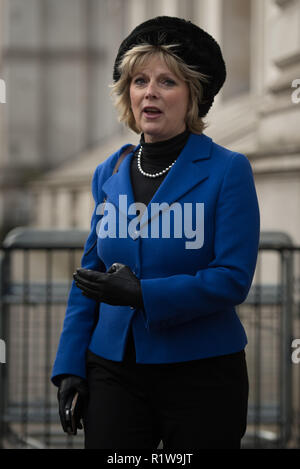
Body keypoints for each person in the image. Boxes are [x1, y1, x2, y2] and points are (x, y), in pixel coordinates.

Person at [51, 16, 260, 450]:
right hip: (113, 369)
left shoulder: (228, 170)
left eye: (167, 82)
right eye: (140, 80)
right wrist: (70, 365)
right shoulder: (107, 172)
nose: (150, 91)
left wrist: (143, 294)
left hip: (202, 373)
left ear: (193, 96)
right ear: (128, 93)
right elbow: (88, 278)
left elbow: (233, 277)